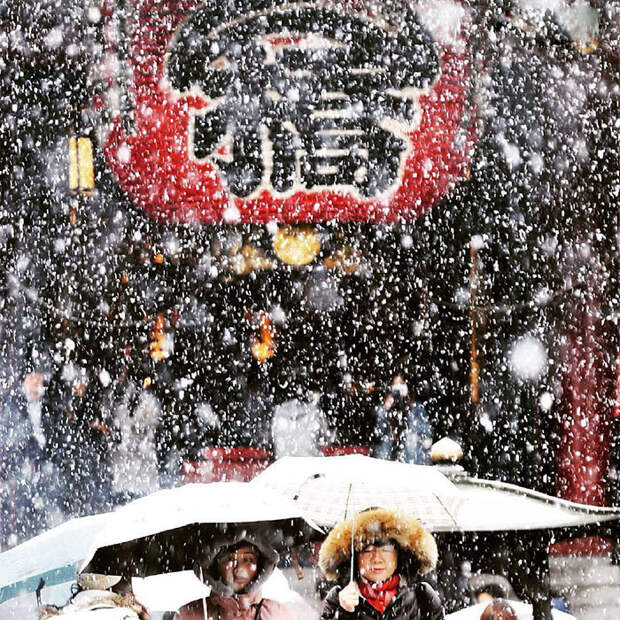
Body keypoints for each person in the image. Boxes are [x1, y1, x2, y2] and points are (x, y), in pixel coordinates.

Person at [318, 507, 444, 619]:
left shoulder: (422, 597)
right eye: (367, 551)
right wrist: (343, 612)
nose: (377, 559)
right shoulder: (338, 599)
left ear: (398, 555)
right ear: (355, 557)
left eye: (386, 550)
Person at [175, 534, 296, 619]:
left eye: (248, 559)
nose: (239, 569)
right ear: (216, 566)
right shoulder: (190, 614)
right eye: (230, 559)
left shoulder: (279, 614)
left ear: (260, 567)